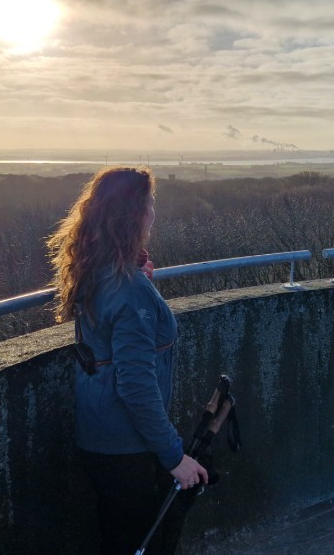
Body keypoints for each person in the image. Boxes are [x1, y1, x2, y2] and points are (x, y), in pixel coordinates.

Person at [48, 166, 208, 555]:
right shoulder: (129, 289)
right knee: (139, 544)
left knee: (118, 537)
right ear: (136, 215)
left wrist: (138, 277)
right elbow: (135, 385)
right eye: (150, 204)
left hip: (100, 436)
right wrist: (174, 456)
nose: (154, 211)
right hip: (126, 447)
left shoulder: (96, 269)